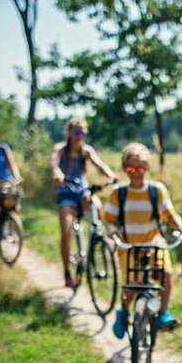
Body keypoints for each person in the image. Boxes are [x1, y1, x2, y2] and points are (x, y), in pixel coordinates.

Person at [104, 142, 182, 339]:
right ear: (125, 168)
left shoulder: (157, 191)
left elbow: (170, 216)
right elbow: (109, 221)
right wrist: (111, 232)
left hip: (154, 244)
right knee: (130, 287)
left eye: (141, 168)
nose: (136, 173)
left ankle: (162, 313)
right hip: (129, 247)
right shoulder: (117, 194)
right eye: (131, 168)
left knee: (165, 277)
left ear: (148, 168)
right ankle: (123, 312)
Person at [50, 118, 118, 287]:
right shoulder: (60, 150)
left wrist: (111, 175)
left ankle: (99, 238)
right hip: (66, 192)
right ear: (69, 133)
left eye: (83, 133)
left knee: (97, 205)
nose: (80, 136)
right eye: (77, 132)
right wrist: (57, 173)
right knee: (66, 231)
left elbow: (99, 165)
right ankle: (67, 271)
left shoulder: (86, 151)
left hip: (81, 191)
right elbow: (54, 164)